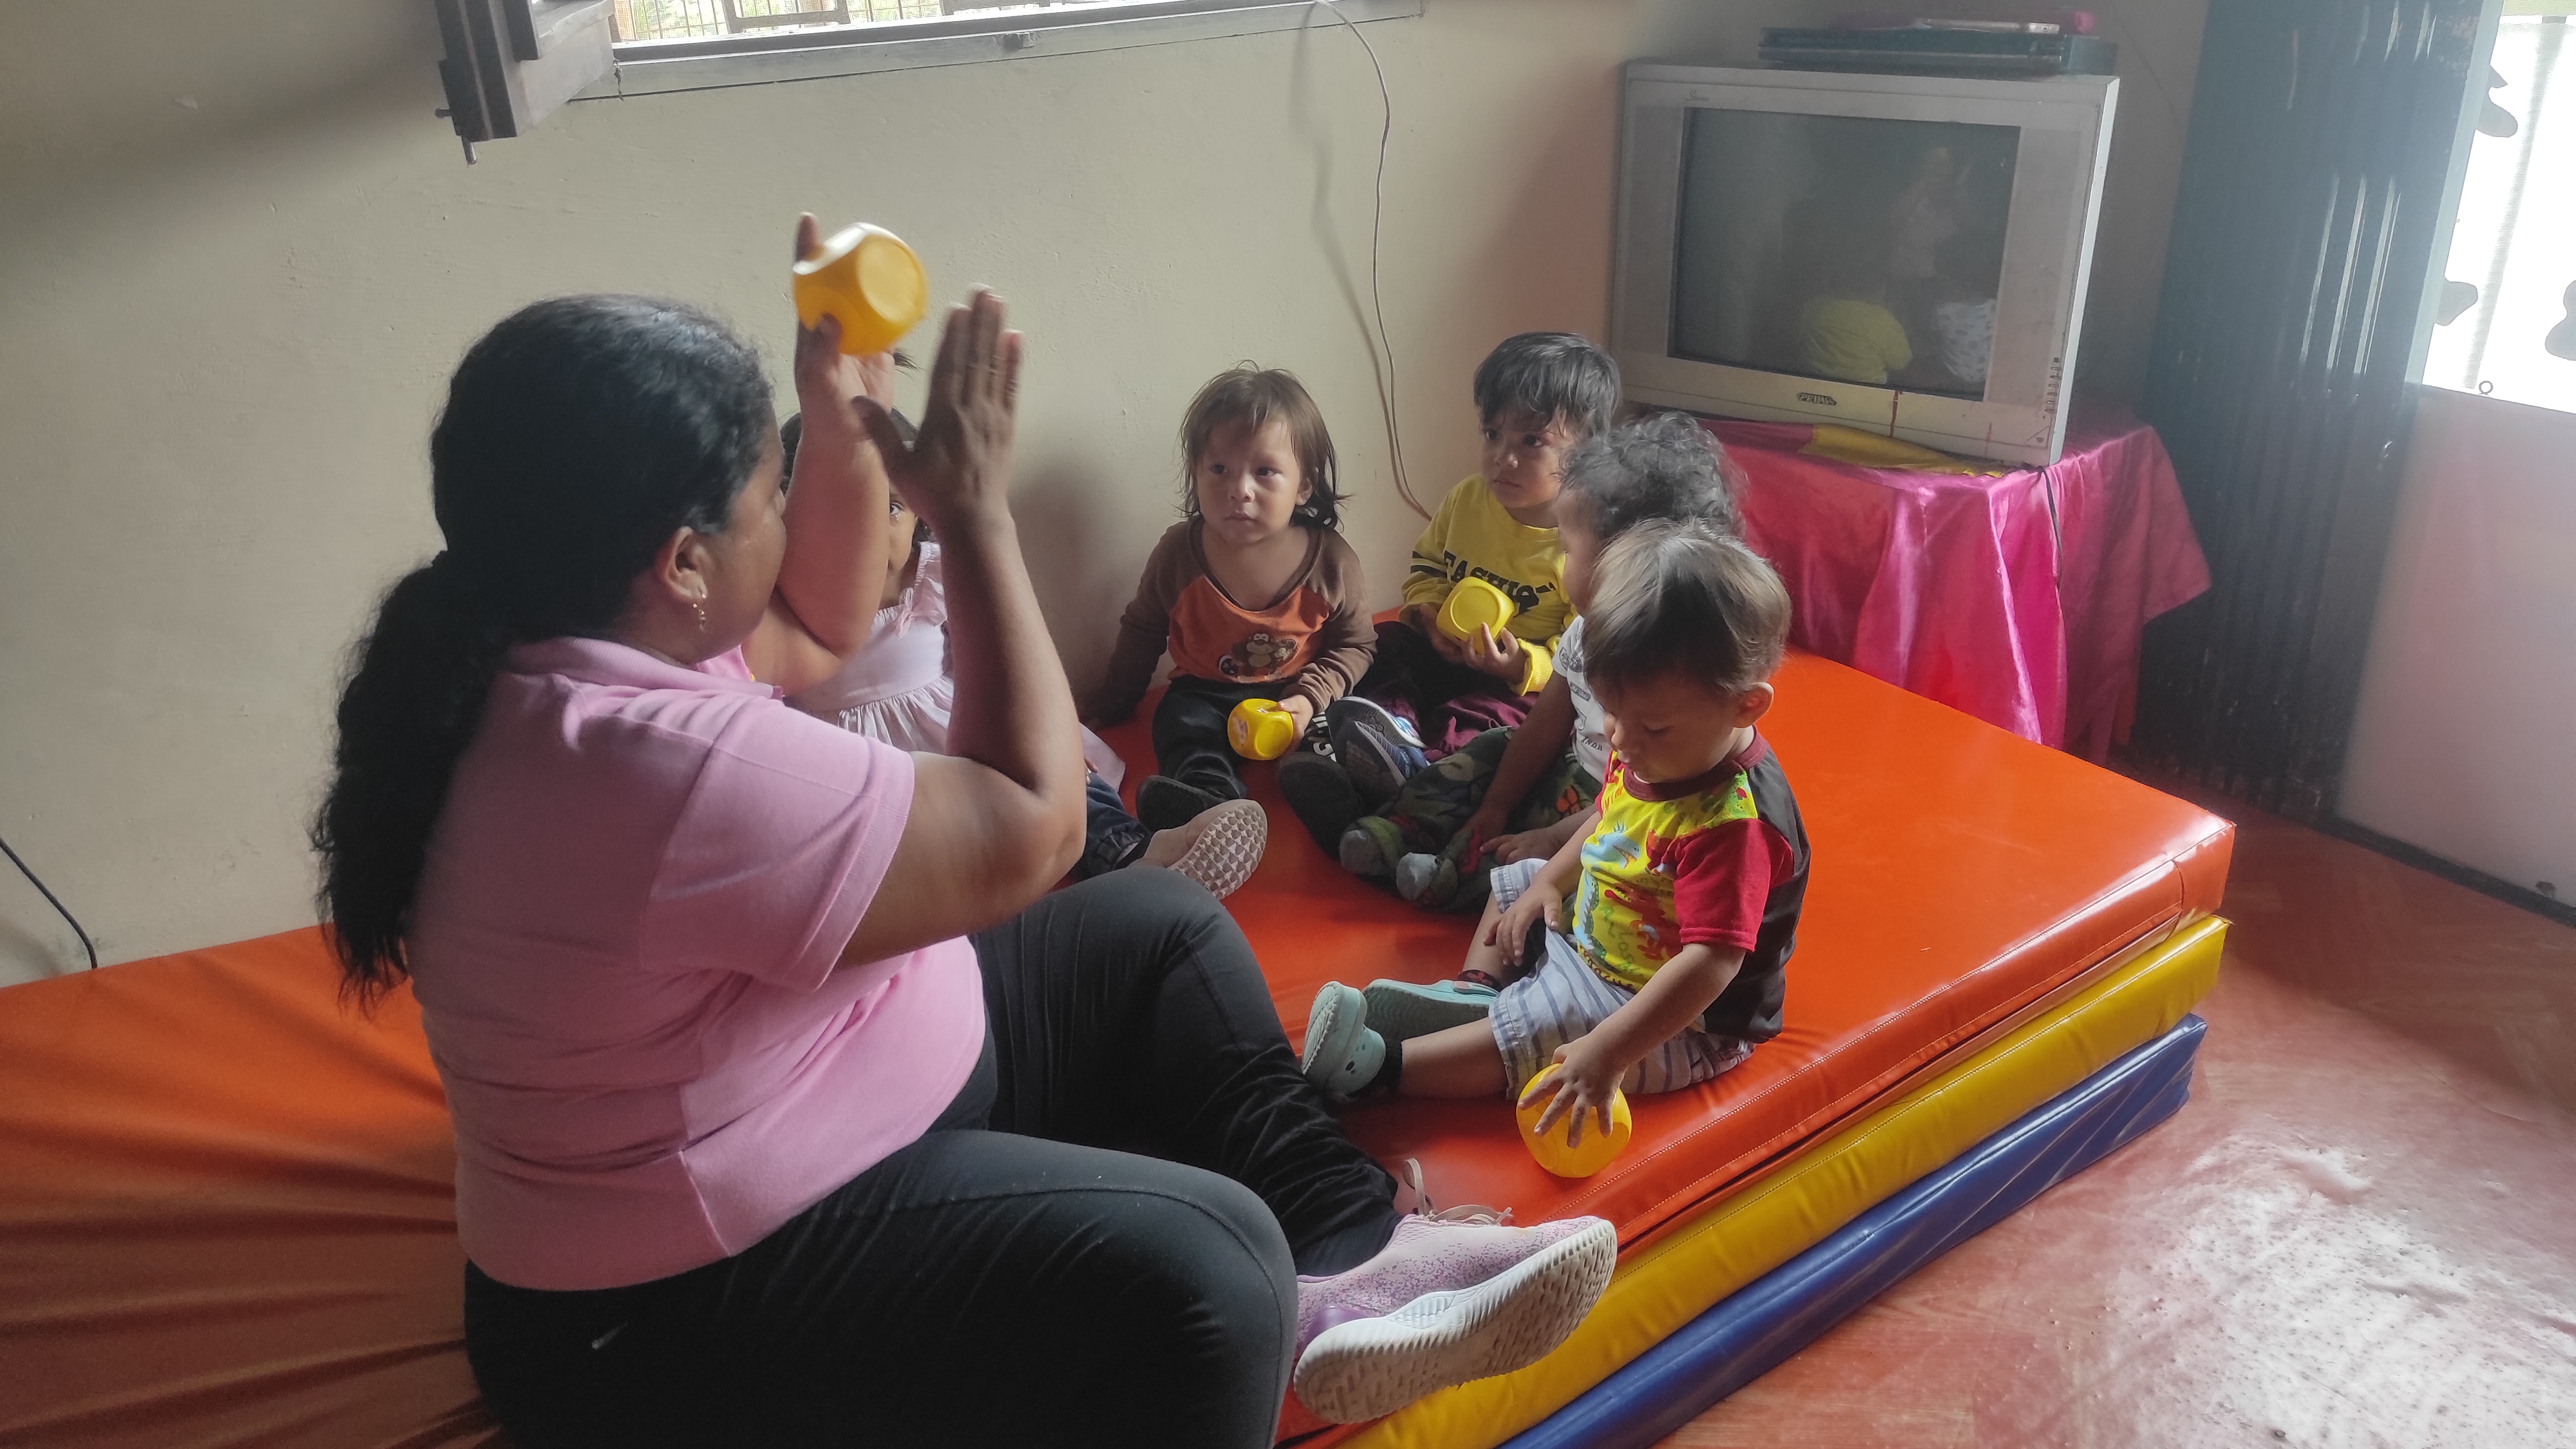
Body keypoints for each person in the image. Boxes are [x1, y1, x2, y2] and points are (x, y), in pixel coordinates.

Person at [309, 230, 1613, 1446]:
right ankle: (1288, 1288)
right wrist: (975, 512)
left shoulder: (556, 634)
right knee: (1214, 1270)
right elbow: (1031, 828)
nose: (791, 517)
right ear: (683, 563)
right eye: (770, 494)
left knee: (1157, 926)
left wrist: (840, 407)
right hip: (668, 1314)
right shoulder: (656, 768)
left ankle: (1356, 1256)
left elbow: (821, 617)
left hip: (820, 1096)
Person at [1297, 524, 1809, 1160]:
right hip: (1608, 934)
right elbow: (1605, 816)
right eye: (1612, 714)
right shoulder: (1659, 746)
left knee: (1535, 1031)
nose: (1620, 741)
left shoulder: (1735, 826)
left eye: (1649, 726)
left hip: (1673, 1018)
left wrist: (1607, 1052)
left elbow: (1710, 965)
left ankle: (1374, 1069)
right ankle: (1478, 989)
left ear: (1745, 706)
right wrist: (1545, 882)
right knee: (1519, 876)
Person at [781, 414, 1267, 897]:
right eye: (840, 507)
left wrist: (1044, 736)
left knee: (1051, 783)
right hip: (855, 776)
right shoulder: (781, 605)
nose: (866, 527)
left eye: (891, 507)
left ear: (919, 512)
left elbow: (993, 663)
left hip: (955, 739)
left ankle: (1138, 852)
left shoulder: (934, 576)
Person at [1337, 415, 1745, 917]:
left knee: (1546, 861)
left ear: (1624, 565)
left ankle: (1448, 877)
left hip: (1608, 808)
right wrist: (1497, 804)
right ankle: (1399, 827)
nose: (1562, 563)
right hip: (1564, 767)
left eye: (1569, 551)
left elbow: (1640, 802)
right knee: (1490, 749)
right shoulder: (1583, 631)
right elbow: (1543, 725)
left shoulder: (1676, 672)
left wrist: (1550, 839)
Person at [1279, 332, 1619, 844]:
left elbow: (1579, 650)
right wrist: (1427, 613)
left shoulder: (1579, 541)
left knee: (1492, 729)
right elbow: (1427, 567)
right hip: (1447, 656)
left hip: (1515, 690)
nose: (1503, 458)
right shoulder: (1467, 499)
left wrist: (1519, 664)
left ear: (1585, 452)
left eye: (1531, 442)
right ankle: (1380, 739)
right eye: (1492, 434)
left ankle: (1419, 774)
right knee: (1383, 644)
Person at [1082, 366, 1377, 833]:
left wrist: (1309, 698)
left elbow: (1357, 645)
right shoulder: (1179, 555)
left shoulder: (1332, 563)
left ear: (1304, 485)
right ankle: (1211, 804)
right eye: (1219, 469)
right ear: (1195, 473)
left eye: (1265, 472)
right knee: (1180, 725)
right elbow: (1143, 629)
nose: (1239, 490)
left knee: (1332, 730)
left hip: (1296, 691)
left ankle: (1337, 802)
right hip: (1205, 693)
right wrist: (1114, 699)